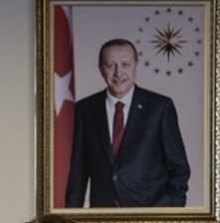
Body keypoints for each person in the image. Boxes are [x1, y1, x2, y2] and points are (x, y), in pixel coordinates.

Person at [65, 38, 190, 208]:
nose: (118, 73)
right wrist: (70, 221)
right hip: (103, 216)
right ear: (101, 69)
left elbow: (179, 168)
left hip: (150, 212)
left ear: (136, 65)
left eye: (125, 64)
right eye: (110, 65)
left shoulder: (159, 108)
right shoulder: (84, 110)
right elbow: (78, 174)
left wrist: (168, 211)